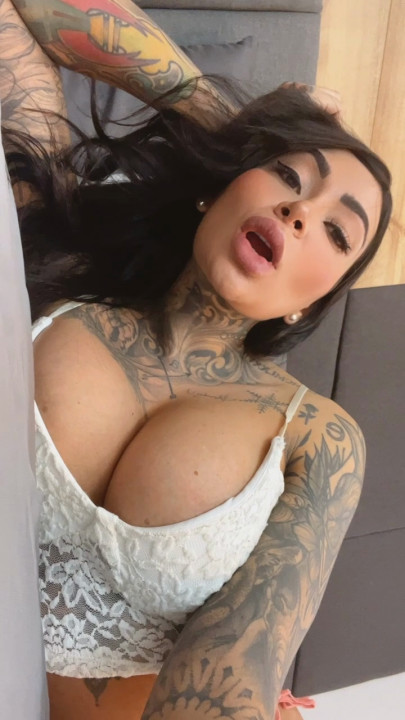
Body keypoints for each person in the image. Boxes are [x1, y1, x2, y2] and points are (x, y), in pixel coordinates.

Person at [0, 1, 392, 719]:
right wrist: (217, 118)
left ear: (315, 301)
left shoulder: (316, 438)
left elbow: (242, 658)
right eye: (287, 176)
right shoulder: (63, 263)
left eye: (337, 233)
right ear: (221, 189)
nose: (299, 211)